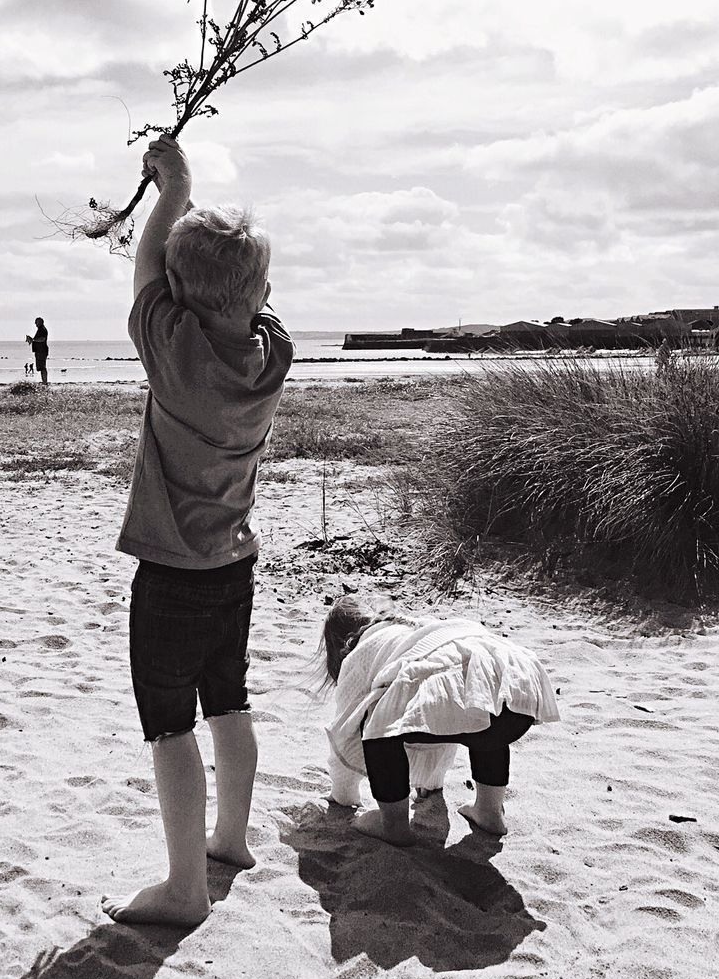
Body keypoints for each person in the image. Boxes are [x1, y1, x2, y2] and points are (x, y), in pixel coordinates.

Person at [101, 133, 294, 927]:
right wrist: (187, 204)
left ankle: (186, 889)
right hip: (233, 568)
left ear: (179, 299)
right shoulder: (272, 355)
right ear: (262, 293)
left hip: (172, 576)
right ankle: (232, 840)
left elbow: (148, 274)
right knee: (229, 702)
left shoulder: (174, 352)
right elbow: (227, 290)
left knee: (169, 725)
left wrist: (170, 188)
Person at [322, 595, 560, 846]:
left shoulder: (364, 647)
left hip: (475, 687)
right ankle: (489, 812)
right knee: (478, 713)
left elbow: (345, 730)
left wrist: (343, 794)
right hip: (519, 688)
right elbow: (444, 720)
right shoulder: (419, 626)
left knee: (375, 726)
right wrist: (431, 783)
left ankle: (392, 824)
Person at [26, 317, 48, 383]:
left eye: (37, 322)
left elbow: (42, 339)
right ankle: (44, 381)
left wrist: (33, 339)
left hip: (42, 350)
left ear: (41, 322)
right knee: (41, 368)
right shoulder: (40, 329)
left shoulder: (42, 329)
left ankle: (45, 382)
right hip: (39, 351)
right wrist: (31, 340)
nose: (35, 323)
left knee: (42, 368)